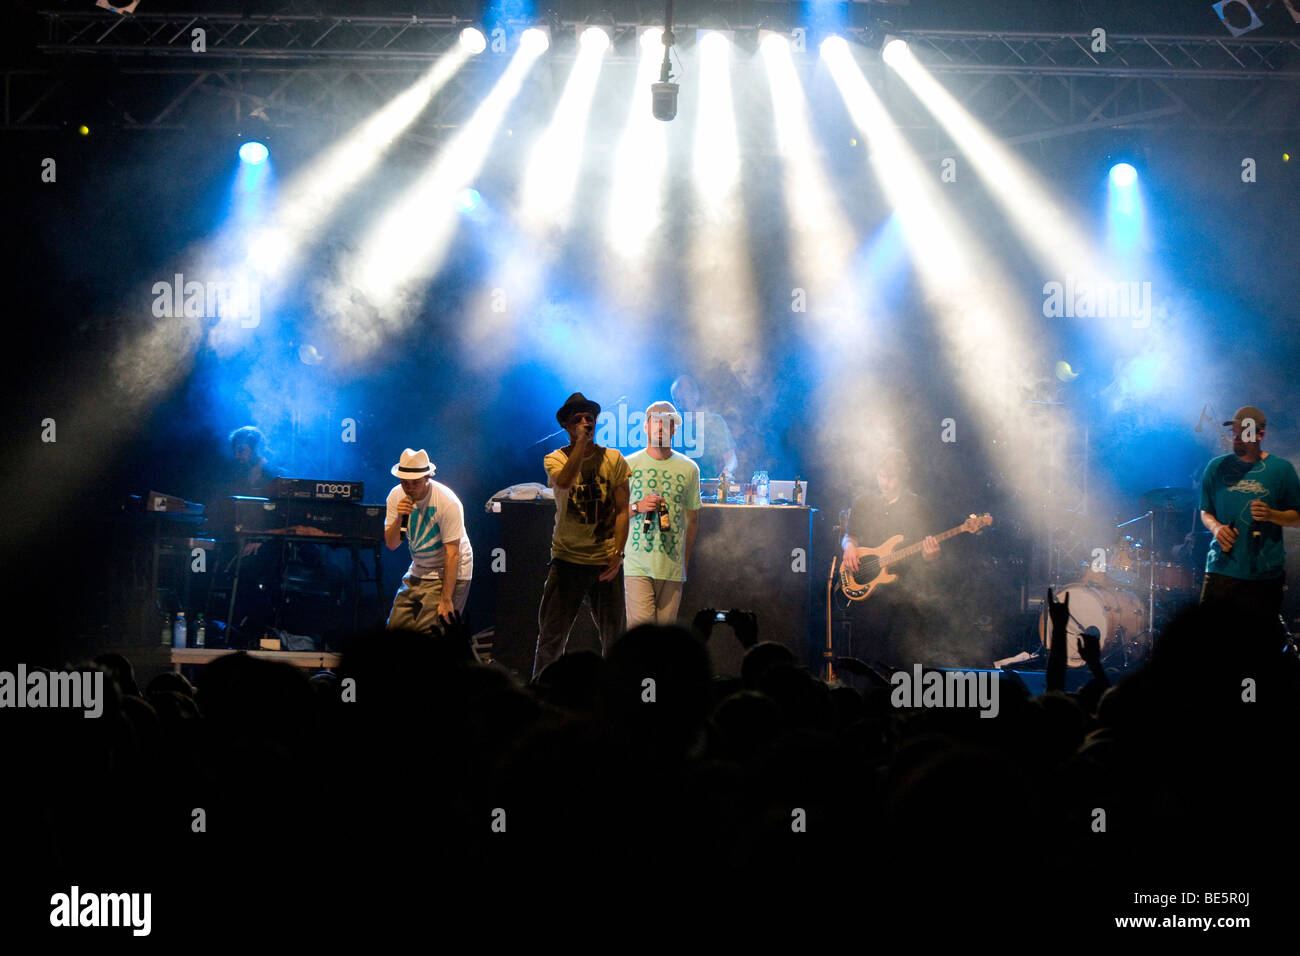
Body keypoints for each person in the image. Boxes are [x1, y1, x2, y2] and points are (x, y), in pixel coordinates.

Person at [533, 392, 630, 679]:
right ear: (566, 426)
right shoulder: (555, 458)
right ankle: (540, 694)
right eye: (578, 420)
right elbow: (563, 482)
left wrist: (619, 553)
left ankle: (616, 698)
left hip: (603, 563)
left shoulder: (613, 458)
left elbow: (623, 509)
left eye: (590, 418)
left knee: (615, 640)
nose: (586, 423)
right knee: (551, 638)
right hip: (567, 561)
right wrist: (580, 445)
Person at [1197, 405, 1300, 630]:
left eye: (1245, 433)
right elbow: (1205, 511)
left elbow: (1297, 517)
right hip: (1221, 569)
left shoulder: (1281, 470)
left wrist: (1273, 515)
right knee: (1208, 642)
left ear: (1261, 434)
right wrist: (1216, 528)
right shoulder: (1216, 468)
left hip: (1265, 575)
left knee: (1257, 650)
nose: (1237, 439)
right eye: (1234, 433)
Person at [840, 448, 941, 668]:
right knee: (866, 655)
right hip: (869, 592)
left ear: (903, 476)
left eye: (891, 477)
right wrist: (848, 547)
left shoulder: (919, 506)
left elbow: (929, 555)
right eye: (882, 476)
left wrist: (931, 555)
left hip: (905, 594)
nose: (885, 482)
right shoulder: (864, 503)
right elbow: (850, 536)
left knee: (903, 657)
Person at [625, 401, 701, 627]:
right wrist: (638, 506)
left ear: (674, 430)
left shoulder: (689, 468)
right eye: (656, 421)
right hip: (637, 563)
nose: (661, 427)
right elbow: (613, 513)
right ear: (646, 427)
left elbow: (692, 520)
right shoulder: (628, 464)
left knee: (665, 642)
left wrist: (684, 561)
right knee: (641, 638)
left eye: (667, 423)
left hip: (672, 566)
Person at [383, 448, 473, 632]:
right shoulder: (395, 496)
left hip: (448, 570)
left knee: (432, 633)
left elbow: (452, 554)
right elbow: (392, 544)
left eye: (415, 483)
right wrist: (400, 517)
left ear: (427, 478)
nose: (409, 488)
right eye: (404, 483)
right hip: (420, 567)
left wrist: (446, 600)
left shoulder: (447, 501)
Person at [670, 374, 738, 482]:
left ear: (695, 395)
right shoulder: (670, 423)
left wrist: (726, 472)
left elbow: (730, 457)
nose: (680, 404)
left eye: (683, 398)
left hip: (706, 488)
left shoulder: (714, 421)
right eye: (676, 400)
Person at [227, 426, 280, 496]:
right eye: (234, 452)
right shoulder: (238, 476)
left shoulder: (278, 476)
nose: (236, 456)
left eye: (241, 450)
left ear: (257, 448)